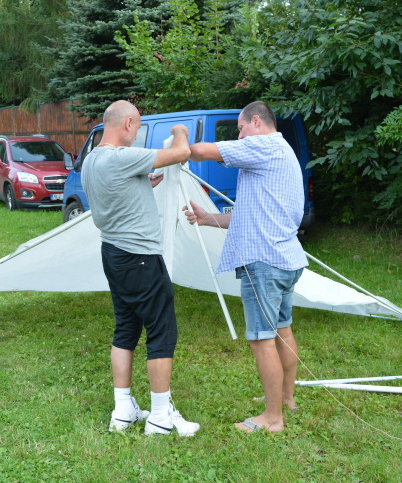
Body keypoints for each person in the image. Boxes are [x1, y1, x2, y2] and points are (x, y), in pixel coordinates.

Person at [184, 101, 305, 433]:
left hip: (264, 264)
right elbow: (252, 213)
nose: (239, 136)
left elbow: (201, 151)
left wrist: (180, 139)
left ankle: (272, 418)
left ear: (256, 122)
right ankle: (285, 398)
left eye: (240, 129)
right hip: (285, 260)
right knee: (282, 331)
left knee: (261, 339)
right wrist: (208, 219)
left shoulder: (264, 145)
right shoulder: (282, 151)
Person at [82, 100, 200, 436]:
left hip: (113, 253)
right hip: (141, 257)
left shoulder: (92, 160)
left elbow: (115, 191)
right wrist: (179, 130)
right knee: (162, 331)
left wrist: (141, 184)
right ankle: (161, 416)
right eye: (138, 126)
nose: (136, 134)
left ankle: (123, 410)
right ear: (128, 123)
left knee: (126, 327)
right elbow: (181, 152)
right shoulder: (122, 157)